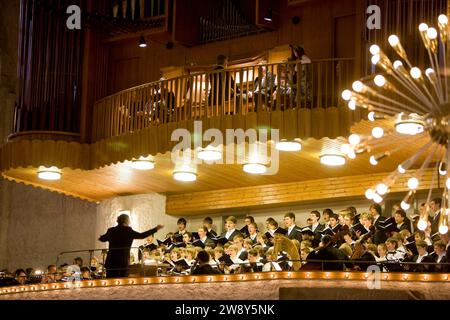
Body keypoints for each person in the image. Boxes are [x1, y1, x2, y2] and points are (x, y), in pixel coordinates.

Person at [99, 214, 163, 278]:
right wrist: (155, 229)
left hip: (111, 261)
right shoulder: (128, 231)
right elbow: (141, 235)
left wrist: (102, 237)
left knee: (110, 281)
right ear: (126, 220)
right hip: (122, 260)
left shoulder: (111, 230)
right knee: (122, 281)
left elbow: (102, 239)